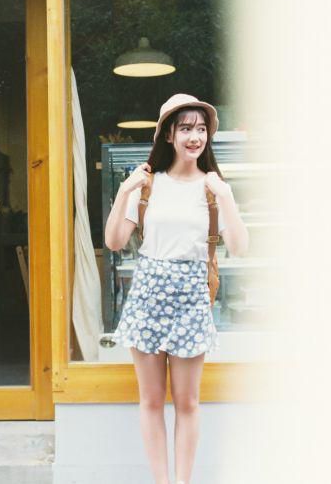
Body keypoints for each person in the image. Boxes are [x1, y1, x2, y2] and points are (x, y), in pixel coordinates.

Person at [105, 93, 249, 484]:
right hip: (149, 294)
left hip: (190, 296)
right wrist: (124, 191)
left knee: (187, 402)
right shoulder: (148, 185)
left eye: (201, 129)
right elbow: (115, 241)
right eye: (185, 128)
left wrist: (226, 195)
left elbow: (239, 247)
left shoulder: (213, 188)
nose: (194, 136)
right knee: (151, 400)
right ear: (168, 134)